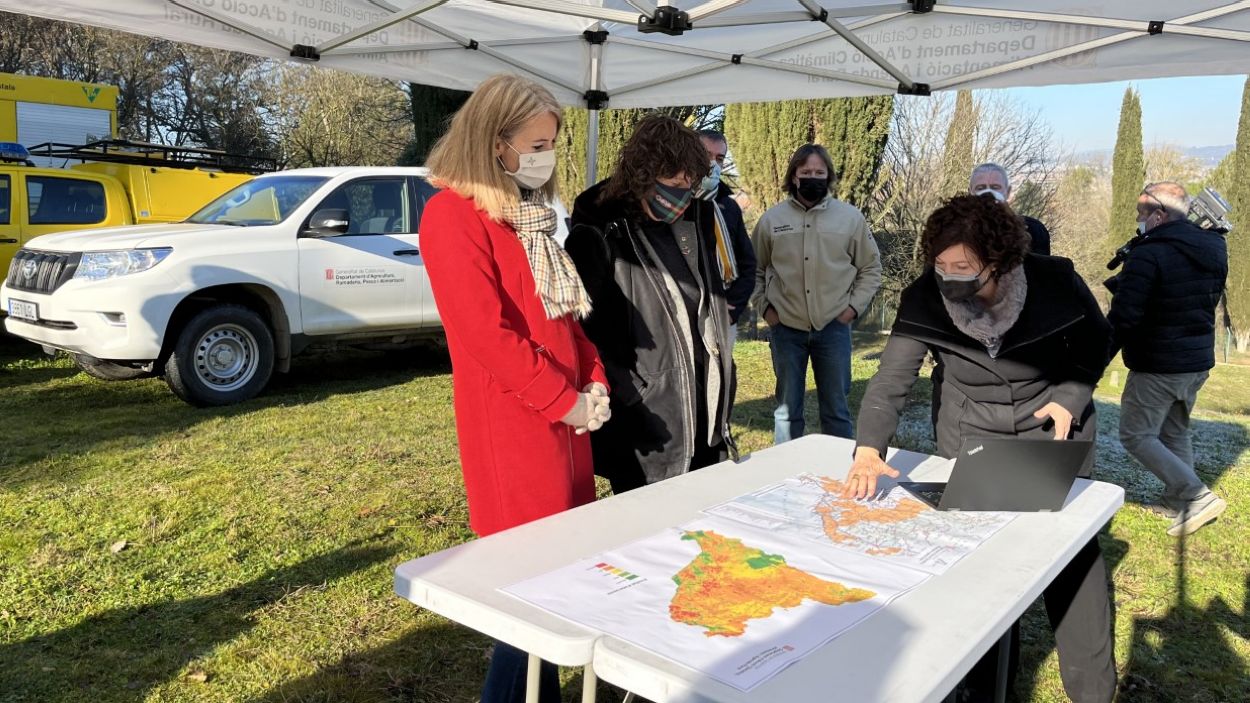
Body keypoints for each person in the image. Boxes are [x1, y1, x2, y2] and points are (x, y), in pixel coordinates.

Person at [846, 194, 1117, 703]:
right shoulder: (925, 296)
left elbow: (1095, 343)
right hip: (972, 433)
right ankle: (985, 687)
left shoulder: (1056, 280)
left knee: (1071, 559)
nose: (949, 277)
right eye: (941, 265)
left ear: (998, 260)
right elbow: (890, 381)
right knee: (984, 565)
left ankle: (1093, 691)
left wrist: (1069, 396)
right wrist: (868, 448)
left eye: (963, 267)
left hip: (1054, 429)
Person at [419, 73, 611, 703]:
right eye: (536, 142)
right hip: (514, 429)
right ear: (494, 142)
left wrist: (595, 380)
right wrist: (566, 401)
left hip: (565, 421)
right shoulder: (452, 214)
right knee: (528, 605)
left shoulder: (527, 219)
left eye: (551, 142)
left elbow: (563, 317)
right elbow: (485, 335)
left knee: (555, 591)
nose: (545, 155)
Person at [565, 115, 737, 494]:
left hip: (702, 413)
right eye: (674, 183)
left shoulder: (696, 216)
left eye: (689, 185)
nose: (682, 194)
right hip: (645, 422)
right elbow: (583, 329)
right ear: (644, 174)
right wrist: (632, 392)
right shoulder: (599, 229)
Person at [1107, 181, 1229, 536]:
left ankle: (1197, 495)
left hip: (1158, 361)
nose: (1137, 221)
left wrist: (1097, 358)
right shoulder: (1213, 246)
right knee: (1174, 431)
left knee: (1136, 435)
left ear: (1158, 215)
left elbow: (1125, 316)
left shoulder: (1149, 253)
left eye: (1141, 214)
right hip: (1196, 360)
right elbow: (1181, 291)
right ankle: (1179, 503)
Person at [751, 143, 882, 443]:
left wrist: (851, 310)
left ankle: (837, 474)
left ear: (829, 176)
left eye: (819, 172)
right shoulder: (772, 220)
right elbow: (754, 271)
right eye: (806, 171)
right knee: (786, 412)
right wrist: (767, 312)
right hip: (786, 329)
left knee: (836, 410)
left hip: (833, 329)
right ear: (794, 176)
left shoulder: (850, 219)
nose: (813, 177)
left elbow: (871, 269)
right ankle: (784, 475)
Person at [697, 129, 757, 344]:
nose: (713, 163)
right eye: (706, 155)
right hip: (685, 314)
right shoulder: (673, 203)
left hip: (723, 314)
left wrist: (734, 307)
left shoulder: (728, 206)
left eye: (719, 158)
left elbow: (748, 263)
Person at [969, 162, 1051, 255]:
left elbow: (1038, 266)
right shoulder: (957, 230)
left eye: (995, 187)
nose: (989, 193)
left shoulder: (1034, 230)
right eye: (981, 188)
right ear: (970, 192)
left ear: (1007, 192)